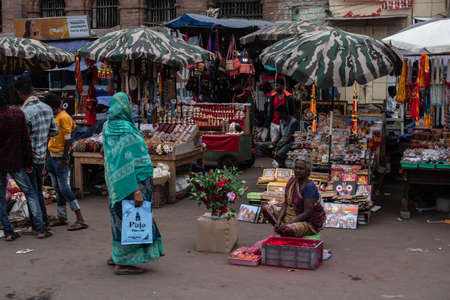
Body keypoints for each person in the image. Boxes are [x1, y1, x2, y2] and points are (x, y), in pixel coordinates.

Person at [103, 92, 165, 275]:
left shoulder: (108, 126)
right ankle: (124, 262)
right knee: (132, 219)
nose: (130, 107)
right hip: (133, 181)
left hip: (116, 181)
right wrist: (135, 190)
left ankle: (118, 254)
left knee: (120, 218)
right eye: (129, 104)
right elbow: (125, 160)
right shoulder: (125, 129)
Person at [0, 85, 50, 240]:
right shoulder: (17, 115)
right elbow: (25, 140)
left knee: (1, 198)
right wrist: (28, 161)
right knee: (30, 193)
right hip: (16, 161)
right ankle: (41, 229)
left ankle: (8, 232)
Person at [16, 77, 58, 235]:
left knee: (32, 193)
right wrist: (43, 137)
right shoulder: (47, 109)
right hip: (42, 156)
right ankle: (44, 222)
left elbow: (23, 139)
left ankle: (39, 226)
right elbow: (55, 131)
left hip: (30, 158)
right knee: (38, 191)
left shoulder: (25, 112)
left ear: (20, 93)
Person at [43, 93, 88, 231]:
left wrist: (64, 157)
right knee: (57, 188)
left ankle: (80, 218)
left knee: (64, 188)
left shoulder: (64, 117)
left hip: (60, 158)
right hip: (52, 157)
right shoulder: (54, 117)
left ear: (51, 106)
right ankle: (62, 216)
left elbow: (68, 139)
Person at [262, 159, 326, 238]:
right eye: (296, 168)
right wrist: (278, 221)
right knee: (266, 209)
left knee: (288, 228)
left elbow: (307, 213)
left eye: (301, 169)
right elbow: (285, 203)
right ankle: (281, 229)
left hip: (307, 222)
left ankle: (285, 230)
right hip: (291, 216)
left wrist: (289, 223)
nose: (297, 170)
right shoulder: (292, 181)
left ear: (307, 171)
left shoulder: (310, 187)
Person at [264, 77, 295, 143]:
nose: (275, 87)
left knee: (283, 142)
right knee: (274, 143)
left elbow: (292, 111)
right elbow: (270, 112)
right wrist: (268, 126)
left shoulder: (288, 97)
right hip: (274, 123)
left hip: (285, 124)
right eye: (275, 85)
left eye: (277, 85)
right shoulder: (272, 97)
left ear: (282, 86)